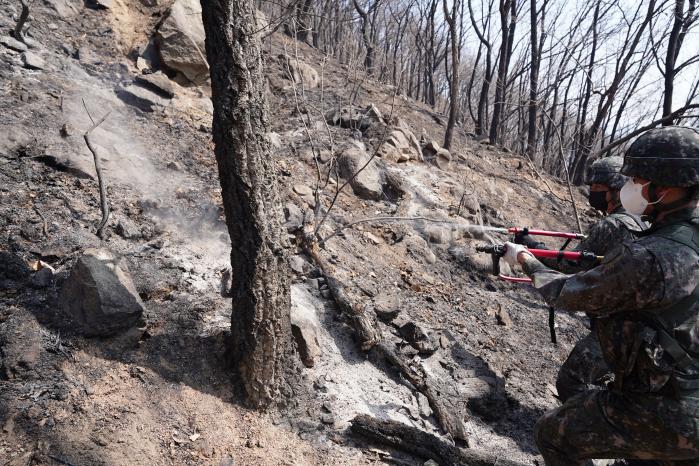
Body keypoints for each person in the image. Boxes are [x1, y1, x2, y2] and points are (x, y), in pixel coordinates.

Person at [503, 126, 699, 465]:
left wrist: (524, 258)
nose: (630, 188)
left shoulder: (650, 256)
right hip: (687, 396)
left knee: (553, 434)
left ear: (665, 188)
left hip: (664, 408)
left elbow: (566, 291)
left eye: (637, 179)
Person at [524, 157, 649, 401]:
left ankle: (593, 427)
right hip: (643, 326)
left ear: (615, 190)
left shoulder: (612, 225)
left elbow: (569, 266)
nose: (591, 192)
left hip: (621, 327)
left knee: (571, 382)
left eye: (597, 187)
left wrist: (530, 248)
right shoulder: (643, 222)